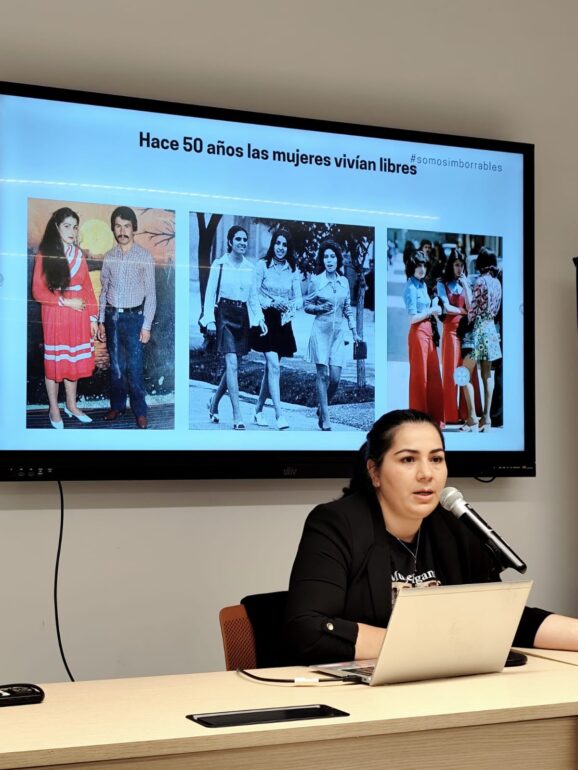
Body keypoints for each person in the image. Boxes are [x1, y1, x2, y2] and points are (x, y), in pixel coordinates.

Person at [285, 409, 578, 664]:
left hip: (443, 686)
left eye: (436, 459)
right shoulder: (336, 524)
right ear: (374, 472)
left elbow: (502, 619)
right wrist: (432, 647)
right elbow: (309, 629)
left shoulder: (455, 526)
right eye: (408, 460)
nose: (427, 473)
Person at [32, 207, 98, 429]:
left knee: (73, 361)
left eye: (75, 227)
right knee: (55, 363)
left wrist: (92, 319)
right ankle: (54, 409)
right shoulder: (45, 254)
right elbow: (38, 292)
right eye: (67, 226)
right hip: (56, 314)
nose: (72, 231)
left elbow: (88, 288)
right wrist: (66, 302)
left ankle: (71, 404)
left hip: (78, 317)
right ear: (57, 228)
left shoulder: (79, 255)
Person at [201, 225, 267, 429]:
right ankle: (237, 416)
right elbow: (210, 294)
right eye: (238, 239)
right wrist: (209, 320)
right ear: (230, 242)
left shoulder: (250, 267)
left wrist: (260, 319)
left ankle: (213, 403)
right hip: (224, 316)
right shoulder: (219, 264)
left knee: (233, 365)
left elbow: (253, 297)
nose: (242, 243)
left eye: (245, 240)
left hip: (242, 316)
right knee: (232, 364)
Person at [97, 206, 156, 429]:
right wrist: (101, 321)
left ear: (134, 229)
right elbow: (103, 290)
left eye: (127, 226)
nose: (122, 231)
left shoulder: (144, 257)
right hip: (112, 317)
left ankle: (140, 411)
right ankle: (118, 405)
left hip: (134, 319)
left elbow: (151, 294)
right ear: (113, 228)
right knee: (117, 367)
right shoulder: (109, 257)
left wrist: (147, 325)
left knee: (134, 367)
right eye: (118, 226)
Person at [304, 239, 360, 431]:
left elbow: (347, 309)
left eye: (332, 256)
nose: (329, 260)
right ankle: (325, 418)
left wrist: (354, 332)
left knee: (335, 378)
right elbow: (306, 306)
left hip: (338, 335)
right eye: (325, 257)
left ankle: (322, 406)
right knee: (323, 374)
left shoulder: (344, 281)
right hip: (320, 331)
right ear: (322, 260)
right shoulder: (316, 281)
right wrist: (319, 307)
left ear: (337, 259)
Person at [251, 228, 302, 430]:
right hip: (265, 319)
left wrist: (289, 304)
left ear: (288, 248)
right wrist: (273, 302)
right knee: (273, 365)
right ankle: (280, 415)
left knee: (271, 369)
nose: (280, 248)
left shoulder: (292, 269)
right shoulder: (262, 266)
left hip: (283, 321)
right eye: (278, 243)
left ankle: (257, 410)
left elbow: (298, 298)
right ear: (273, 244)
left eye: (284, 245)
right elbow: (253, 293)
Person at [459, 247, 502, 432]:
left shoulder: (479, 282)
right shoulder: (497, 283)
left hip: (477, 330)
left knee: (463, 373)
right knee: (487, 375)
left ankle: (471, 417)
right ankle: (486, 418)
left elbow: (473, 309)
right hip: (491, 329)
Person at [436, 249, 481, 424]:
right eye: (456, 265)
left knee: (465, 372)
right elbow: (447, 308)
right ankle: (450, 414)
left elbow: (471, 307)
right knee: (450, 372)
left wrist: (466, 286)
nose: (459, 268)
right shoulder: (443, 283)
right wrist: (462, 311)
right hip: (450, 331)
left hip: (466, 332)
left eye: (461, 265)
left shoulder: (466, 283)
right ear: (451, 265)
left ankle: (466, 412)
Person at [402, 251, 444, 426]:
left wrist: (434, 304)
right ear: (412, 267)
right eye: (418, 266)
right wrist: (431, 311)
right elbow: (412, 317)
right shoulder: (410, 287)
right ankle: (420, 418)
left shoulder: (422, 285)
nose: (422, 269)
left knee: (434, 374)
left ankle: (434, 417)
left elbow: (428, 305)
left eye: (424, 266)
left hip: (428, 331)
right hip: (418, 332)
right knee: (421, 377)